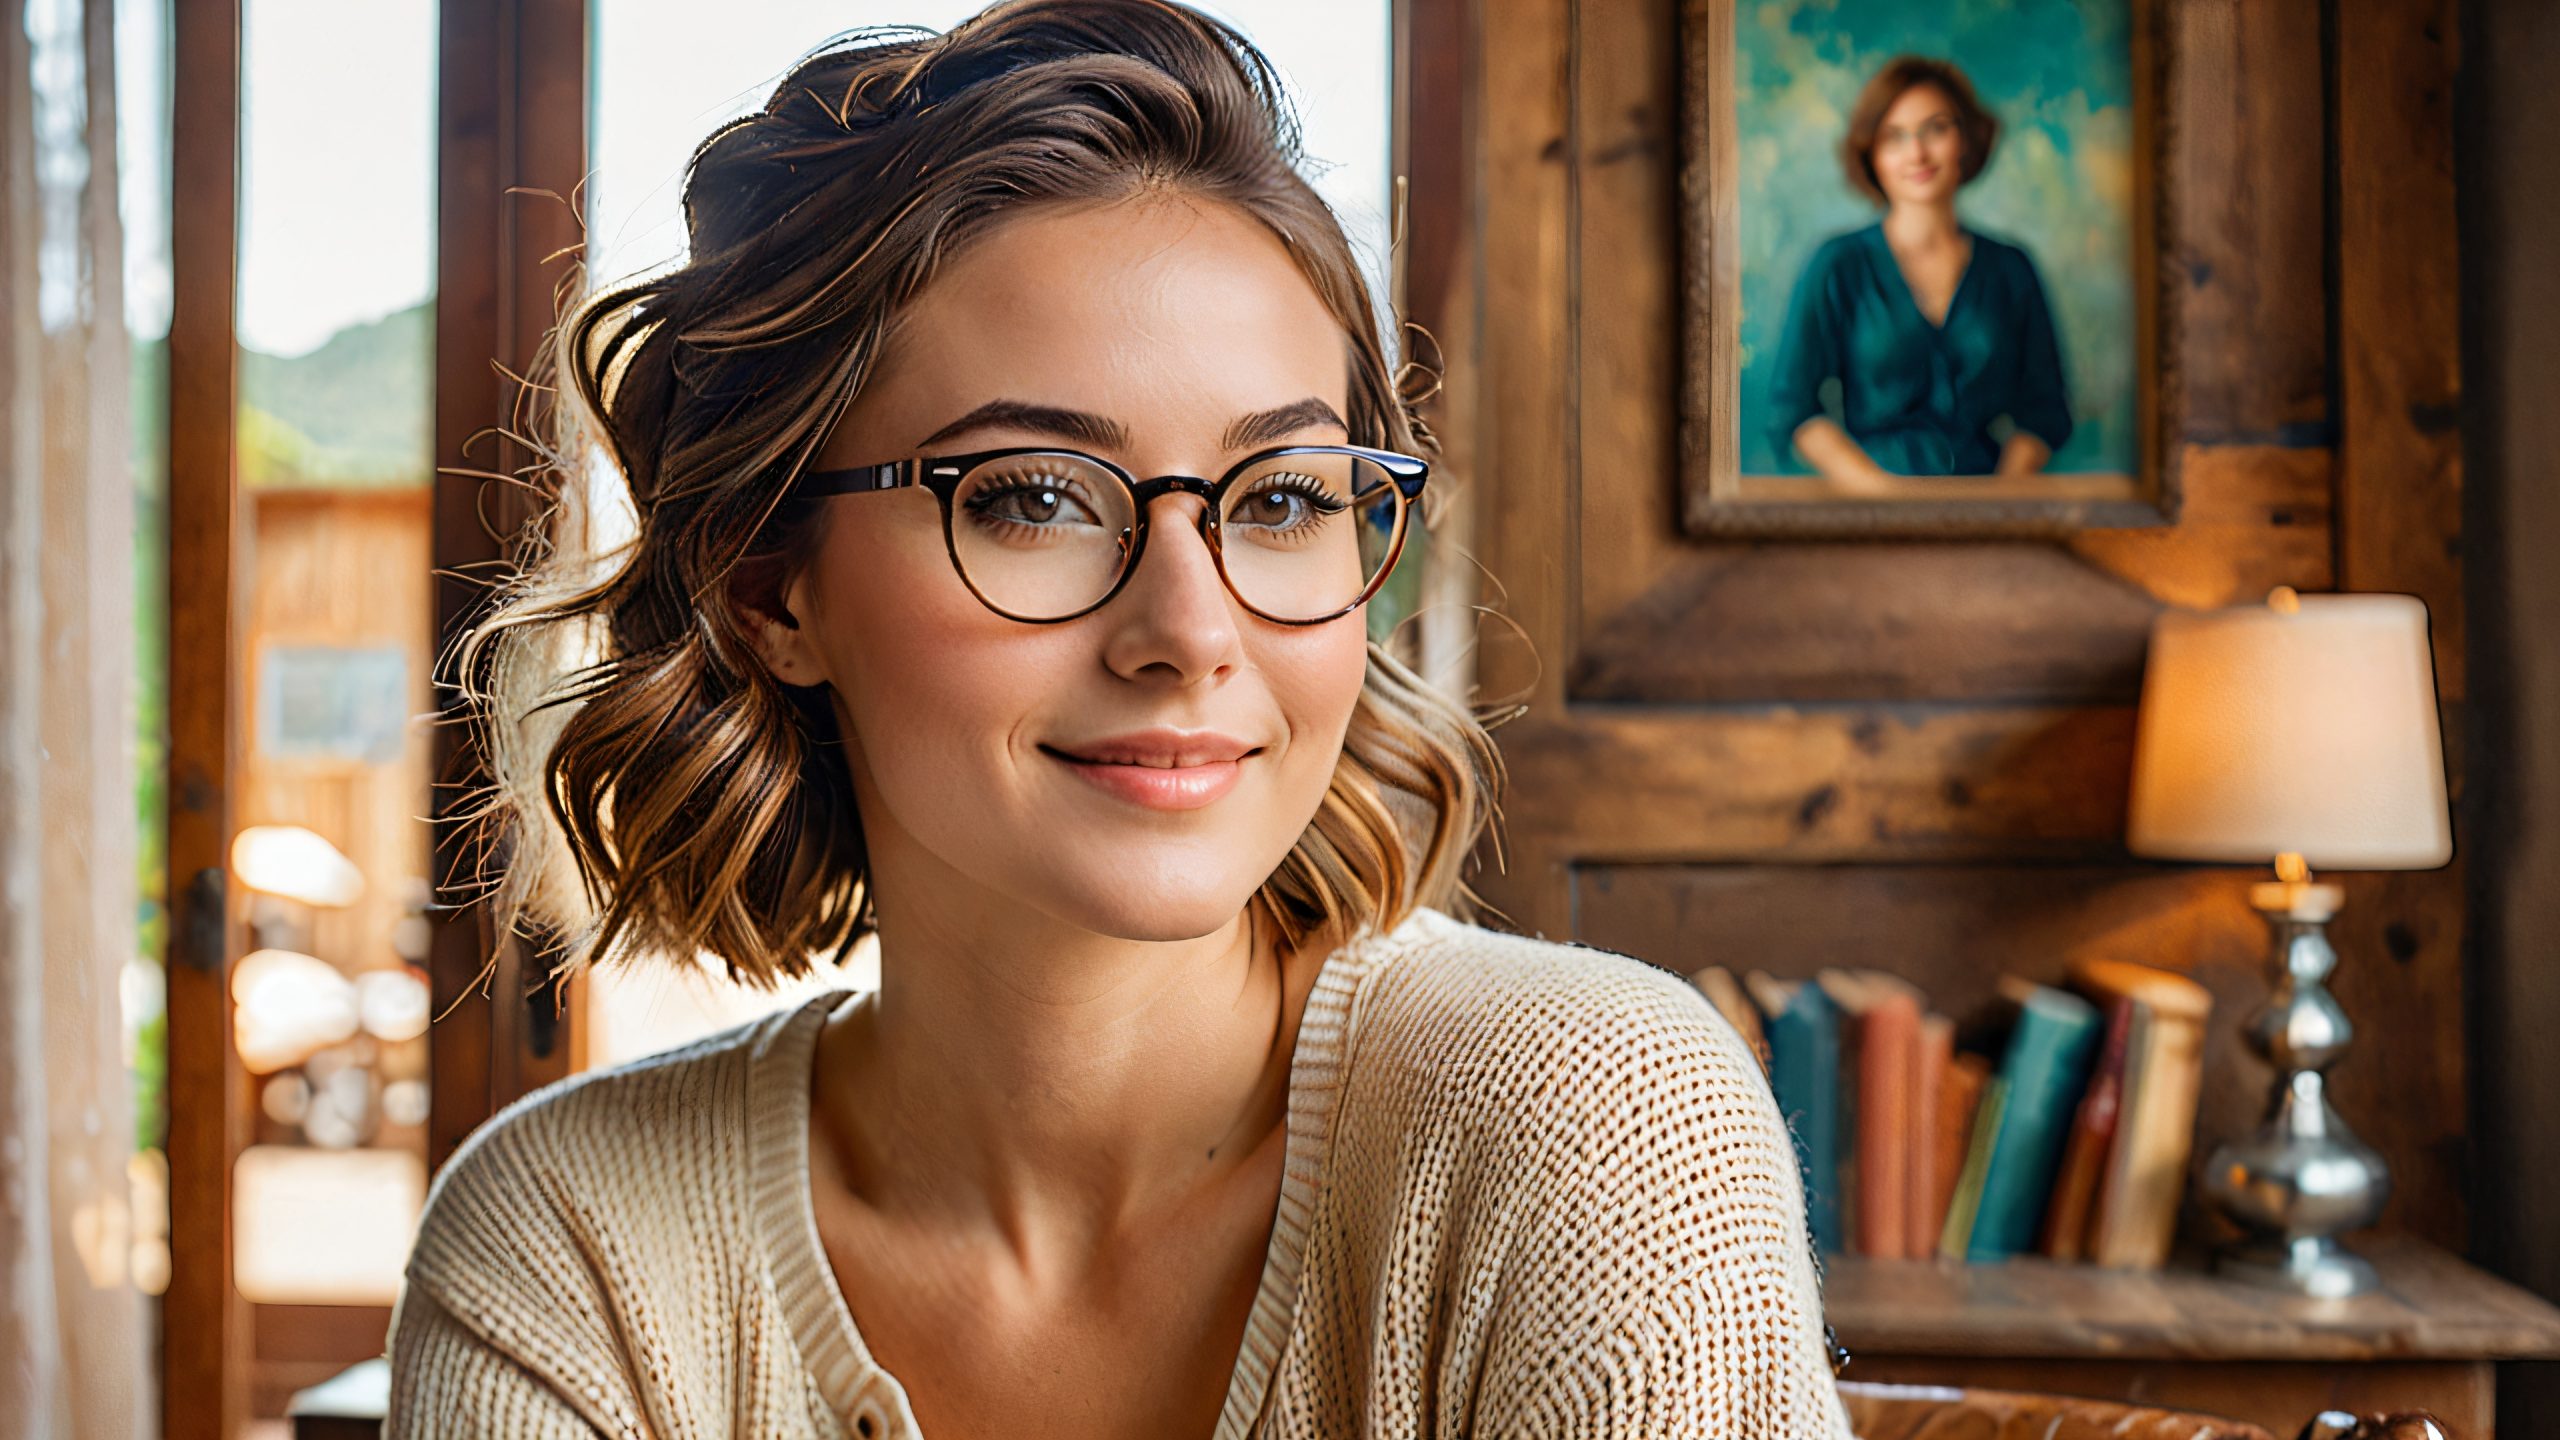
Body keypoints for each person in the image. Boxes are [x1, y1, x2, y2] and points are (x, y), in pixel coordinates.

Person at [386, 2, 1851, 1435]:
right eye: (1031, 498)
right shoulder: (568, 1250)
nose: (1192, 632)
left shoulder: (1600, 1132)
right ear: (772, 587)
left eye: (1280, 499)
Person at [1766, 55, 2073, 488]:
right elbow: (1794, 411)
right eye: (1894, 137)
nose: (1917, 152)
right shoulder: (1837, 265)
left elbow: (2045, 411)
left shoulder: (2011, 268)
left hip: (1989, 512)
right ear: (1871, 153)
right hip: (1871, 512)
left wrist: (1997, 506)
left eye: (1936, 128)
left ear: (1966, 139)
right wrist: (1886, 500)